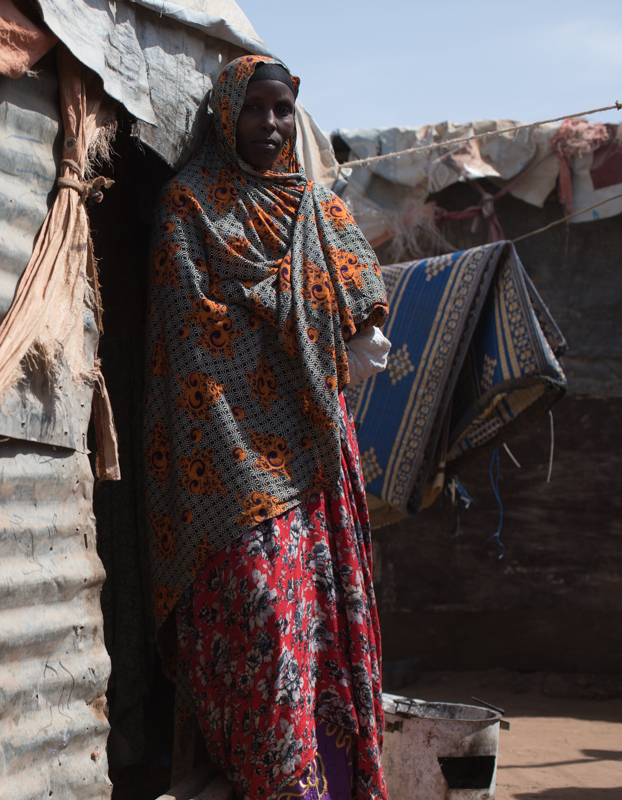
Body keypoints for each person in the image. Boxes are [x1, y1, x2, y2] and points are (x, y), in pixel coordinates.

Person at [144, 55, 391, 800]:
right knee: (260, 614)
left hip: (317, 457)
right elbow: (191, 341)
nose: (272, 124)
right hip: (229, 460)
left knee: (326, 622)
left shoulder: (316, 208)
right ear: (226, 115)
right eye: (255, 109)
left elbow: (364, 309)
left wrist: (336, 327)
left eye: (283, 109)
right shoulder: (189, 206)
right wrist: (299, 327)